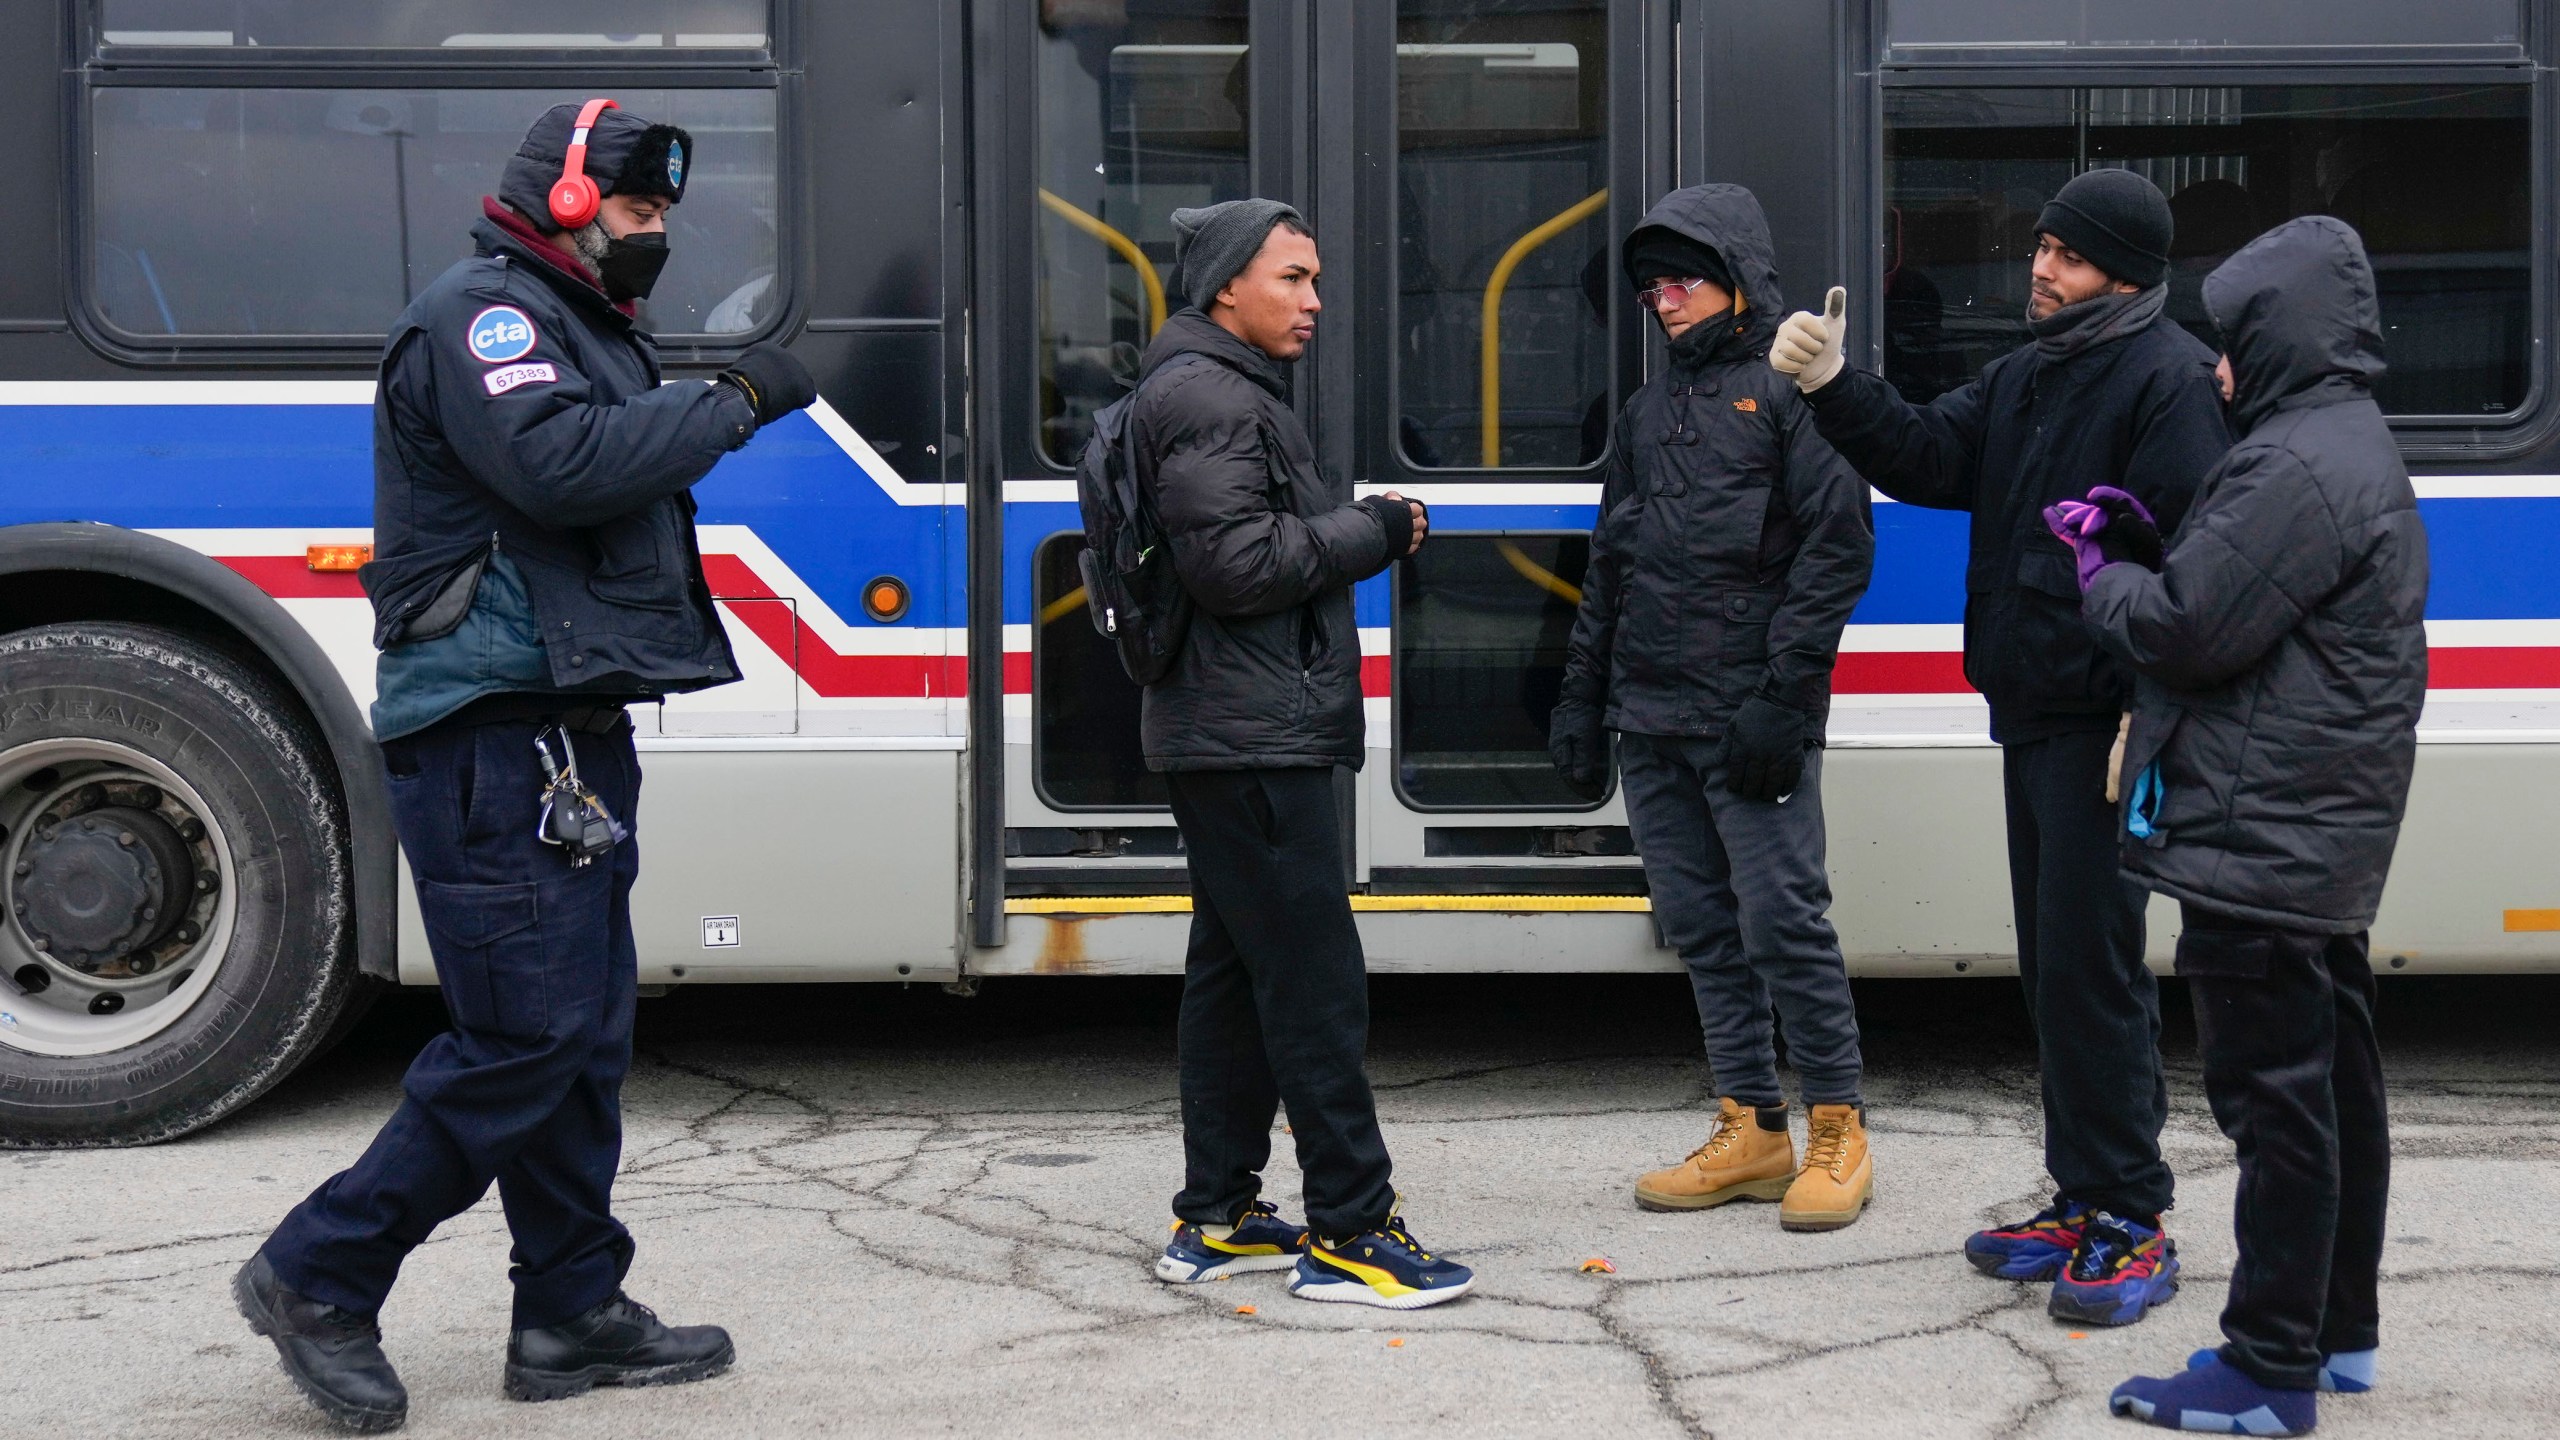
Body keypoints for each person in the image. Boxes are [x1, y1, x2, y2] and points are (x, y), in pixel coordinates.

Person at [231, 99, 817, 1432]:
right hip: (495, 730)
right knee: (528, 1036)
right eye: (635, 207)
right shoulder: (484, 318)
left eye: (667, 212)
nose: (654, 230)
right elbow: (559, 469)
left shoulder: (584, 327)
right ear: (563, 197)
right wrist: (725, 401)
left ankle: (569, 1312)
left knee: (584, 1034)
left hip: (565, 725)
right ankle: (318, 1272)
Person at [1769, 168, 2231, 1324]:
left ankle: (2129, 1214)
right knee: (2056, 971)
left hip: (2101, 725)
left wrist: (2150, 710)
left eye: (2067, 256)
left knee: (2091, 972)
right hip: (2032, 713)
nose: (2040, 267)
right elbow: (1928, 457)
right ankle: (2083, 1199)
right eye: (2040, 246)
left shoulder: (2164, 379)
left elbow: (2186, 559)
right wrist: (1835, 386)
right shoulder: (2033, 372)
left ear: (2121, 273)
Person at [2058, 217, 2425, 1436]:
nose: (2215, 369)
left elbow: (2183, 631)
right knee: (2333, 1093)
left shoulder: (2290, 464)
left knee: (2274, 1106)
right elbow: (2241, 598)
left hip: (2259, 833)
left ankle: (2267, 1367)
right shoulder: (2344, 440)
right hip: (2315, 823)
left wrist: (2103, 567)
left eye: (2230, 345)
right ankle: (2337, 1333)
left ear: (2275, 339)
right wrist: (2165, 556)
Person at [1132, 198, 1472, 1310]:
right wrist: (1373, 529)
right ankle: (1351, 1232)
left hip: (1237, 729)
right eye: (1292, 278)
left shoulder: (1213, 390)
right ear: (1228, 286)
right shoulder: (1210, 399)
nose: (1314, 300)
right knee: (1313, 986)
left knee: (1233, 978)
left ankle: (1217, 1217)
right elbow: (1235, 568)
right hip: (1253, 737)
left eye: (1316, 278)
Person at [1549, 184, 1877, 1231]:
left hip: (1748, 717)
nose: (1661, 296)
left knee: (1784, 920)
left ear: (1736, 276)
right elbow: (1611, 563)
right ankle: (1751, 1126)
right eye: (1649, 284)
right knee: (1699, 926)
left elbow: (1837, 552)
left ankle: (1838, 1125)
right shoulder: (1647, 413)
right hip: (1649, 717)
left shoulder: (1791, 395)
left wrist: (1785, 699)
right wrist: (1580, 699)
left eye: (1681, 276)